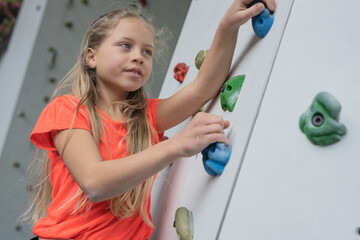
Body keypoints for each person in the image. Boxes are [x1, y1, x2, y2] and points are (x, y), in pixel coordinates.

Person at [23, 0, 275, 239]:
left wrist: (228, 27)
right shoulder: (68, 109)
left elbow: (203, 88)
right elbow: (94, 182)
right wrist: (175, 145)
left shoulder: (147, 117)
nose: (138, 56)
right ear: (92, 57)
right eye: (125, 45)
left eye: (147, 51)